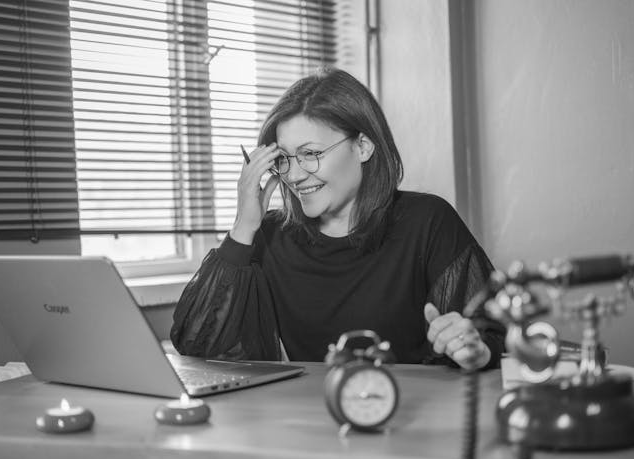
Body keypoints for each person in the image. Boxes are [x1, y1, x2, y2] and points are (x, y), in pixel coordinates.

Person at [171, 67, 505, 370]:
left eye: (311, 153)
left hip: (409, 417)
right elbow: (196, 344)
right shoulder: (270, 233)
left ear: (363, 147)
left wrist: (473, 347)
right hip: (312, 421)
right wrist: (243, 227)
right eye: (284, 159)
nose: (295, 175)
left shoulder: (428, 220)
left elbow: (491, 330)